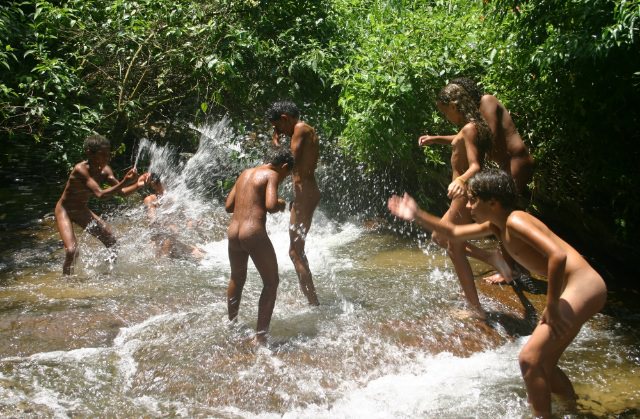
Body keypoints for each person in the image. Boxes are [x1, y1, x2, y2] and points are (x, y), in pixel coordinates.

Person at [388, 169, 607, 419]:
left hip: (584, 285)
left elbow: (557, 256)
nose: (468, 206)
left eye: (472, 200)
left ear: (492, 202)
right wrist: (417, 215)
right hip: (581, 286)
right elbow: (454, 234)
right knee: (544, 364)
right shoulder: (497, 224)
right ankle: (572, 410)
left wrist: (552, 304)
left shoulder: (516, 221)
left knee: (529, 359)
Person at [420, 77, 535, 284]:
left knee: (501, 217)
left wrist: (467, 173)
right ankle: (510, 264)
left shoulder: (487, 102)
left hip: (515, 162)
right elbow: (466, 137)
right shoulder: (471, 121)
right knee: (497, 219)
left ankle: (510, 267)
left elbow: (482, 137)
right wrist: (437, 139)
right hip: (504, 165)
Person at [417, 83, 510, 318]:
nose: (445, 116)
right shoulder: (472, 127)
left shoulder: (469, 129)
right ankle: (491, 257)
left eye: (445, 110)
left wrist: (461, 180)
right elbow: (459, 140)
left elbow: (475, 165)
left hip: (464, 192)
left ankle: (476, 309)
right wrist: (436, 138)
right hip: (465, 193)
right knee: (440, 236)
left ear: (455, 106)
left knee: (453, 246)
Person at [225, 146, 294, 345]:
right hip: (253, 233)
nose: (284, 179)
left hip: (234, 233)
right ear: (284, 166)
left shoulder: (244, 174)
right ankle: (261, 337)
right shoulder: (271, 174)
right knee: (271, 283)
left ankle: (232, 324)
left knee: (237, 279)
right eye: (286, 175)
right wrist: (282, 204)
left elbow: (228, 206)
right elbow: (272, 205)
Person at [55, 134, 139, 275]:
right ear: (89, 152)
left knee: (113, 243)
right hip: (65, 210)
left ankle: (109, 273)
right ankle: (66, 282)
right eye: (103, 155)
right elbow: (100, 194)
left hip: (81, 209)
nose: (107, 158)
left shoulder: (105, 170)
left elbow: (122, 192)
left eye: (108, 155)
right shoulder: (80, 169)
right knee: (72, 251)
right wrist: (125, 180)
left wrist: (139, 184)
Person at [266, 100, 320, 306]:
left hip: (306, 193)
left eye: (277, 127)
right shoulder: (305, 129)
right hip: (307, 192)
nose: (278, 131)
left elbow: (290, 161)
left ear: (285, 119)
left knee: (295, 252)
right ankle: (312, 300)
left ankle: (314, 304)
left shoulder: (299, 129)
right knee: (297, 250)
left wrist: (276, 145)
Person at [137, 172, 204, 260]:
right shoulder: (150, 199)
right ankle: (164, 263)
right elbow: (152, 220)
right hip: (159, 241)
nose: (167, 186)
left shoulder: (175, 199)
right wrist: (168, 226)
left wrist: (194, 223)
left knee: (201, 254)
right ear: (154, 185)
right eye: (163, 183)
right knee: (168, 235)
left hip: (175, 240)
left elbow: (188, 219)